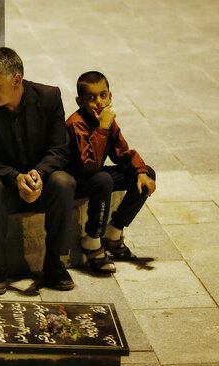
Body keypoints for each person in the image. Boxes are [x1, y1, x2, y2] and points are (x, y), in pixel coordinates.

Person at [0, 47, 76, 294]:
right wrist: (15, 178)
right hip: (6, 188)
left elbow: (60, 149)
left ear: (16, 80)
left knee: (64, 181)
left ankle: (54, 265)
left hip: (42, 184)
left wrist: (39, 174)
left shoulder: (49, 97)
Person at [66, 71, 156, 273]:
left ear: (110, 96)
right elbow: (89, 165)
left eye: (103, 95)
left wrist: (140, 172)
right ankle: (92, 240)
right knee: (103, 178)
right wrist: (103, 127)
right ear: (79, 101)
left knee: (146, 172)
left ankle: (113, 233)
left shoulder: (106, 119)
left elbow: (122, 153)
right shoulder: (76, 123)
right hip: (74, 181)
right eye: (91, 97)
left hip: (95, 177)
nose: (99, 102)